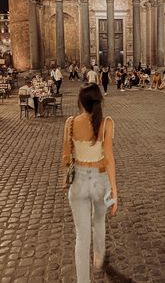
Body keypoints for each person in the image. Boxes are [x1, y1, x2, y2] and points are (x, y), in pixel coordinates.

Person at [62, 83, 117, 283]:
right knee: (99, 221)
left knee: (81, 237)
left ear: (80, 102)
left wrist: (65, 179)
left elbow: (67, 156)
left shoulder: (70, 123)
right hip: (100, 179)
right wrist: (114, 191)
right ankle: (99, 257)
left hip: (78, 182)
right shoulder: (107, 123)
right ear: (100, 101)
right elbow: (109, 158)